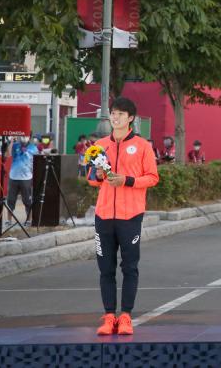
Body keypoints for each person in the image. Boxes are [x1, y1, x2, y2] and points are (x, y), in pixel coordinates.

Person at [87, 97, 159, 336]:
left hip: (130, 216)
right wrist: (98, 175)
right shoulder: (100, 145)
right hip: (104, 215)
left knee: (130, 267)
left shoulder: (142, 146)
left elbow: (152, 177)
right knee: (105, 269)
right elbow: (91, 179)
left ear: (130, 118)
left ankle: (126, 316)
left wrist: (126, 180)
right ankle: (109, 316)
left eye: (120, 113)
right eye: (112, 113)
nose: (115, 117)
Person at [7, 136, 39, 225]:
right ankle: (9, 220)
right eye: (22, 136)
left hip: (26, 178)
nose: (23, 138)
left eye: (25, 136)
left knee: (27, 200)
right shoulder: (15, 145)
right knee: (11, 200)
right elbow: (8, 154)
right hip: (13, 177)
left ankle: (28, 220)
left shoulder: (33, 148)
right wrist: (12, 142)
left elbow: (36, 161)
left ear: (29, 137)